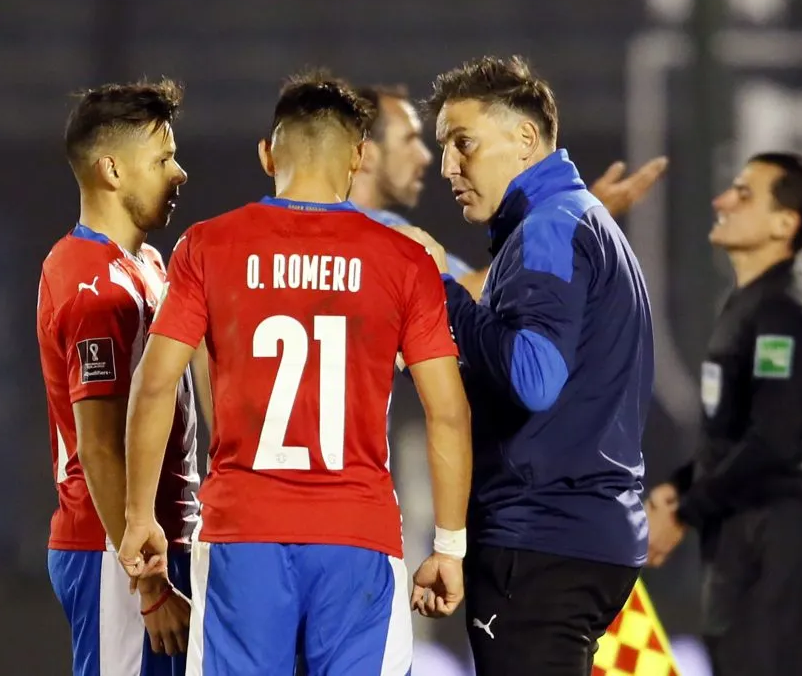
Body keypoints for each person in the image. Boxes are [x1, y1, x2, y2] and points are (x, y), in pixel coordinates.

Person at [118, 70, 474, 676]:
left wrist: (138, 518)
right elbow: (448, 410)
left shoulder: (207, 246)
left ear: (266, 155)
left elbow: (155, 385)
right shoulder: (404, 259)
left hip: (242, 533)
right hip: (357, 536)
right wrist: (448, 547)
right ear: (359, 156)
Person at [397, 55, 654, 675]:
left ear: (525, 139)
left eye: (464, 143)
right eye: (444, 148)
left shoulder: (548, 227)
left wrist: (445, 292)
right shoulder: (580, 220)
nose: (450, 167)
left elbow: (534, 379)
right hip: (588, 534)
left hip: (542, 539)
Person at [646, 152, 802, 676]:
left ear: (784, 224)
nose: (721, 201)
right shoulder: (746, 305)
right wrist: (681, 488)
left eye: (744, 194)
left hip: (772, 540)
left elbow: (772, 442)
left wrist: (684, 510)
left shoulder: (783, 314)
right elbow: (733, 435)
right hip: (739, 540)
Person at [36, 78, 199, 675]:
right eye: (162, 159)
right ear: (111, 169)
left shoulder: (147, 264)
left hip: (157, 541)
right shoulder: (93, 288)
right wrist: (148, 585)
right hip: (117, 553)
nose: (179, 172)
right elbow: (98, 444)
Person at [350, 84, 668, 298]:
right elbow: (460, 299)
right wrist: (573, 221)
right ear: (368, 152)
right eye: (408, 139)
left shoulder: (337, 230)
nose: (426, 157)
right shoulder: (372, 238)